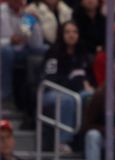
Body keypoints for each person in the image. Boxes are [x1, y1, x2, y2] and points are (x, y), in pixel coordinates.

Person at [40, 21, 96, 152]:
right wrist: (75, 82)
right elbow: (50, 78)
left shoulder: (83, 54)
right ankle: (62, 141)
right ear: (62, 34)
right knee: (68, 100)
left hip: (77, 92)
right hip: (51, 91)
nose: (71, 35)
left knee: (88, 97)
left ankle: (82, 140)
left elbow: (89, 78)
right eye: (68, 32)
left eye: (75, 32)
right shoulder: (53, 52)